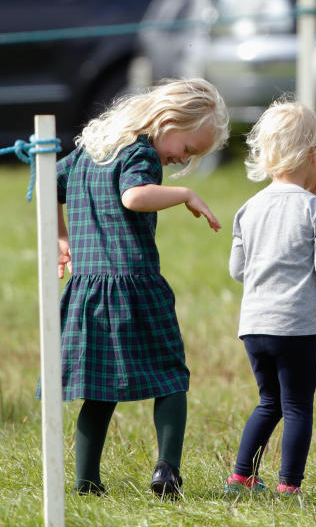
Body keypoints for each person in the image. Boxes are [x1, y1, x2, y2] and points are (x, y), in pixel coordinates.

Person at [54, 78, 230, 498]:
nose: (180, 160)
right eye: (187, 149)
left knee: (97, 390)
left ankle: (86, 484)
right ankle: (167, 470)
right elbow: (134, 196)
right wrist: (184, 192)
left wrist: (59, 235)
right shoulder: (140, 151)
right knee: (170, 378)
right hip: (134, 285)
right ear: (169, 120)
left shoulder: (90, 151)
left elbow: (46, 182)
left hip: (87, 292)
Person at [226, 99, 316, 497]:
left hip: (254, 327)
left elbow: (238, 270)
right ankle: (290, 486)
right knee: (298, 406)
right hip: (295, 326)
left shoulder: (247, 209)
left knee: (268, 401)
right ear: (310, 156)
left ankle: (242, 476)